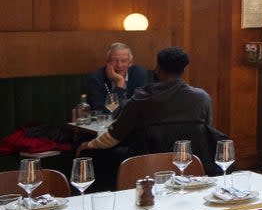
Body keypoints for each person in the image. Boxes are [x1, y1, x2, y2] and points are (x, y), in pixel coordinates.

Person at [79, 47, 223, 186]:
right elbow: (205, 132)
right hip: (192, 165)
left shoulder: (141, 99)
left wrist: (88, 145)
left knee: (94, 156)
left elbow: (113, 137)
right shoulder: (202, 98)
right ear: (183, 70)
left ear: (158, 69)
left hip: (147, 167)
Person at [85, 43, 149, 113]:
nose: (119, 65)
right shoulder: (97, 79)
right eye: (114, 60)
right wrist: (120, 83)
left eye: (124, 61)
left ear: (130, 63)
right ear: (107, 62)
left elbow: (141, 105)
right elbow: (101, 113)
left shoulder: (138, 73)